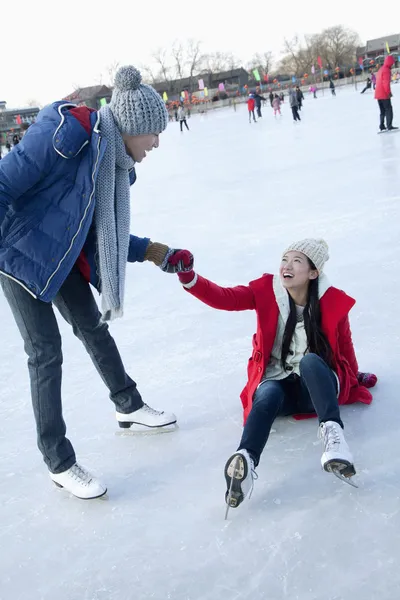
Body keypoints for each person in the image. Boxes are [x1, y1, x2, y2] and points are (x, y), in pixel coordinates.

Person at [0, 65, 194, 500]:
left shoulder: (115, 170)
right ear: (133, 128)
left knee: (92, 326)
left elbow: (100, 231)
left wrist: (155, 252)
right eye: (153, 135)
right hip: (17, 253)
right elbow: (3, 182)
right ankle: (58, 461)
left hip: (60, 254)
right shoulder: (66, 131)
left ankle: (128, 405)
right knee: (45, 353)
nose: (157, 143)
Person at [176, 239, 377, 509]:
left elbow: (345, 344)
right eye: (285, 259)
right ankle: (245, 460)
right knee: (267, 391)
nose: (287, 266)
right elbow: (225, 298)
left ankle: (335, 441)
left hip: (316, 388)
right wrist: (189, 277)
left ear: (313, 273)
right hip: (280, 383)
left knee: (310, 362)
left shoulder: (331, 301)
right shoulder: (265, 291)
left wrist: (354, 376)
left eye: (297, 261)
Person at [375, 55, 398, 131]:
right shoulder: (387, 70)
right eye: (392, 63)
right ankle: (389, 125)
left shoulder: (381, 69)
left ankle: (382, 125)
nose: (392, 65)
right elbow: (386, 83)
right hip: (384, 94)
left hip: (378, 94)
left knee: (382, 111)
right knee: (388, 109)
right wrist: (389, 93)